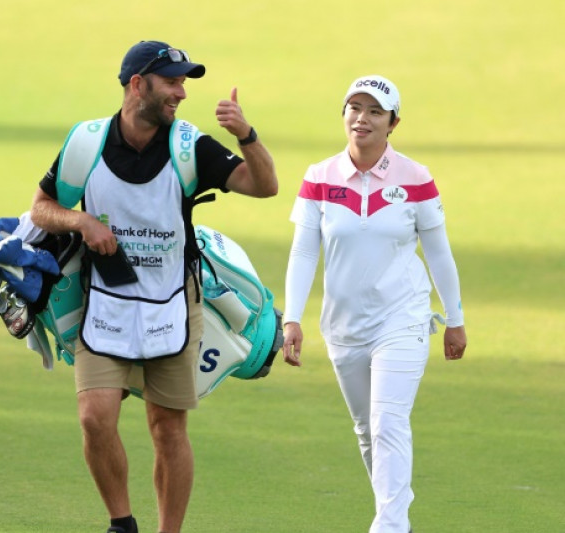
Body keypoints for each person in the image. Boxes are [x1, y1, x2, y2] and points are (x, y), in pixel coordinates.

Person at [29, 40, 278, 533]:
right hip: (105, 302)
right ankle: (122, 524)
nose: (181, 93)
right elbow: (40, 207)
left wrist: (246, 134)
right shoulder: (86, 143)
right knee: (94, 416)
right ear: (138, 85)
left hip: (174, 305)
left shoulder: (189, 146)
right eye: (171, 82)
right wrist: (80, 221)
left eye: (183, 83)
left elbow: (263, 185)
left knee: (167, 428)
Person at [281, 74, 468, 533]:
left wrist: (455, 318)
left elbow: (438, 253)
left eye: (374, 112)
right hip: (343, 326)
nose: (362, 119)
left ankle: (390, 526)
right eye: (355, 108)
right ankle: (395, 512)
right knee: (368, 430)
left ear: (393, 123)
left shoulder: (416, 178)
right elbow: (304, 252)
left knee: (388, 422)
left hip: (402, 317)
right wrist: (292, 318)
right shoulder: (319, 177)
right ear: (344, 114)